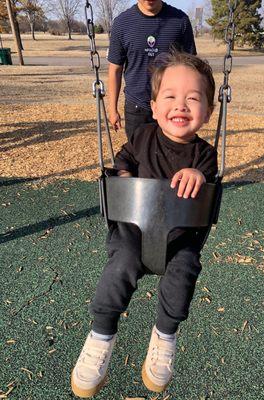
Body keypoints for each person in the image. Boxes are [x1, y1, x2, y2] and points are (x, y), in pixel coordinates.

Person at [71, 51, 217, 398]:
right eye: (170, 97)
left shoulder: (205, 155)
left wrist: (198, 174)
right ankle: (101, 335)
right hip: (133, 233)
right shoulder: (142, 138)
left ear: (209, 111)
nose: (180, 105)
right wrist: (123, 175)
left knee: (184, 270)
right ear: (153, 108)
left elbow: (210, 178)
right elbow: (124, 160)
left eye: (193, 99)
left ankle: (165, 336)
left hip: (180, 239)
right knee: (120, 264)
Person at [108, 0, 196, 139]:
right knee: (138, 156)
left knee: (171, 156)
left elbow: (191, 68)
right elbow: (115, 70)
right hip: (137, 105)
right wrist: (112, 110)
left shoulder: (180, 21)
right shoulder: (122, 23)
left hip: (171, 105)